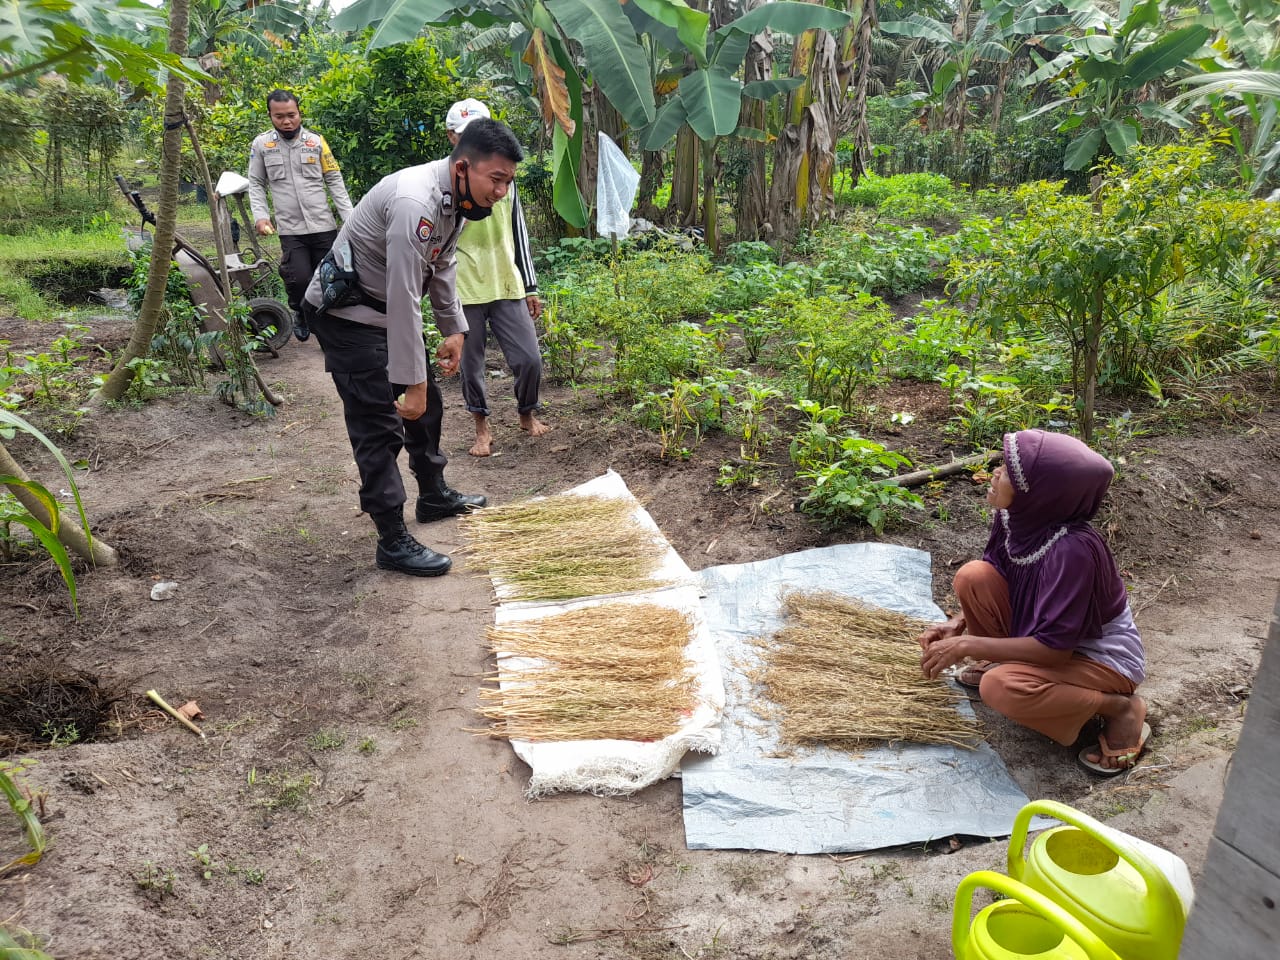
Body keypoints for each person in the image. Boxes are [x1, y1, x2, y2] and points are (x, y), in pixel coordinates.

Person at [301, 118, 525, 576]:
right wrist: (412, 380)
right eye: (496, 179)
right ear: (464, 166)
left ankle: (433, 495)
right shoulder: (414, 203)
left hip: (384, 309)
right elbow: (404, 293)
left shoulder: (459, 198)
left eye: (508, 182)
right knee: (379, 422)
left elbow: (441, 263)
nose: (502, 192)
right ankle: (392, 538)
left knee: (428, 406)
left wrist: (454, 328)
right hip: (347, 315)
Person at [917, 429, 1149, 774]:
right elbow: (998, 570)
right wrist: (958, 623)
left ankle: (1119, 709)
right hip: (1044, 632)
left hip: (1096, 657)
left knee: (1001, 687)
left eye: (1009, 472)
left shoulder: (1073, 551)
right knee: (974, 575)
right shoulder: (1017, 517)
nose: (996, 472)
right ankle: (1006, 665)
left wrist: (969, 645)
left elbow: (1056, 650)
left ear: (1041, 492)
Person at [443, 98, 550, 457]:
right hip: (464, 284)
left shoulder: (505, 179)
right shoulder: (447, 183)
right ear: (452, 138)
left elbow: (518, 232)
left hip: (505, 279)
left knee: (529, 359)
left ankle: (526, 411)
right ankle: (481, 427)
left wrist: (530, 285)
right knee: (471, 366)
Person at [248, 89, 354, 343]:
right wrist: (261, 216)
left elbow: (334, 180)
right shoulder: (262, 145)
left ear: (299, 112)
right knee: (298, 278)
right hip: (290, 228)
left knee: (331, 276)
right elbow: (255, 182)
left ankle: (330, 325)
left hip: (322, 224)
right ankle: (301, 311)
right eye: (280, 116)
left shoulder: (316, 142)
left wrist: (350, 217)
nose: (287, 121)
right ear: (270, 116)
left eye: (292, 115)